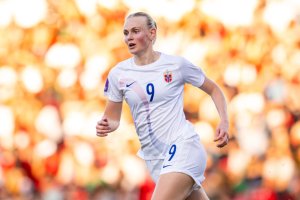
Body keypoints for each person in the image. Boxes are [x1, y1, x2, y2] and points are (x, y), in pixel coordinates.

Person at [96, 11, 229, 200]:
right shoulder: (119, 73)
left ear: (152, 33)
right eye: (126, 33)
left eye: (135, 31)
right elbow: (113, 118)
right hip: (156, 158)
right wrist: (105, 125)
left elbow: (214, 89)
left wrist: (224, 121)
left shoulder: (176, 65)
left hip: (183, 146)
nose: (129, 37)